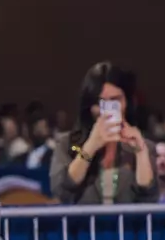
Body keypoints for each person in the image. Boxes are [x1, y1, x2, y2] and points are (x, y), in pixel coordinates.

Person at [50, 62, 156, 204]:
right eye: (100, 102)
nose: (107, 109)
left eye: (115, 100)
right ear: (88, 105)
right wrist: (91, 146)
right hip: (83, 225)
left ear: (127, 102)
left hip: (127, 225)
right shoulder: (67, 144)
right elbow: (62, 189)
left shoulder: (144, 145)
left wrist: (141, 152)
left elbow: (149, 196)